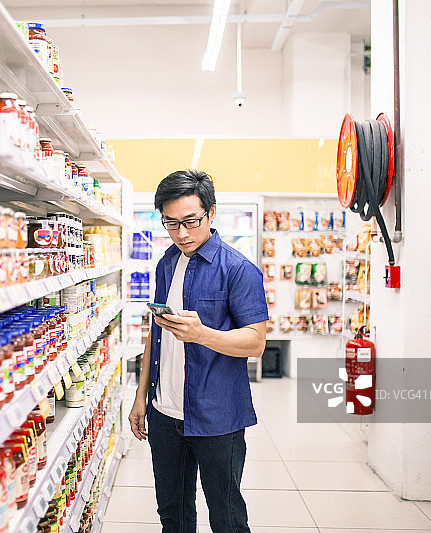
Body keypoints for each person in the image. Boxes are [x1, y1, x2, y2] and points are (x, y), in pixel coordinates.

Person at [128, 169, 268, 533]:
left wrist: (203, 334)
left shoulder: (239, 269)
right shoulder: (165, 264)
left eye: (191, 221)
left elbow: (255, 342)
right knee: (172, 515)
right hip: (164, 413)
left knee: (226, 516)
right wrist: (141, 396)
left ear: (212, 212)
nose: (182, 233)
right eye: (171, 223)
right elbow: (153, 336)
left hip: (217, 417)